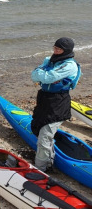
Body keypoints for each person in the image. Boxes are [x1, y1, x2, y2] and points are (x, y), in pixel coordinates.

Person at [31, 37, 80, 172]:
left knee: (44, 136)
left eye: (59, 49)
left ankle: (40, 169)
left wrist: (43, 74)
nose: (55, 50)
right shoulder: (49, 60)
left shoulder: (70, 65)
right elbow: (34, 75)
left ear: (66, 51)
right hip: (44, 100)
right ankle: (49, 159)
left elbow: (48, 77)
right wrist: (43, 74)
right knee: (37, 128)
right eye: (55, 47)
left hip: (58, 103)